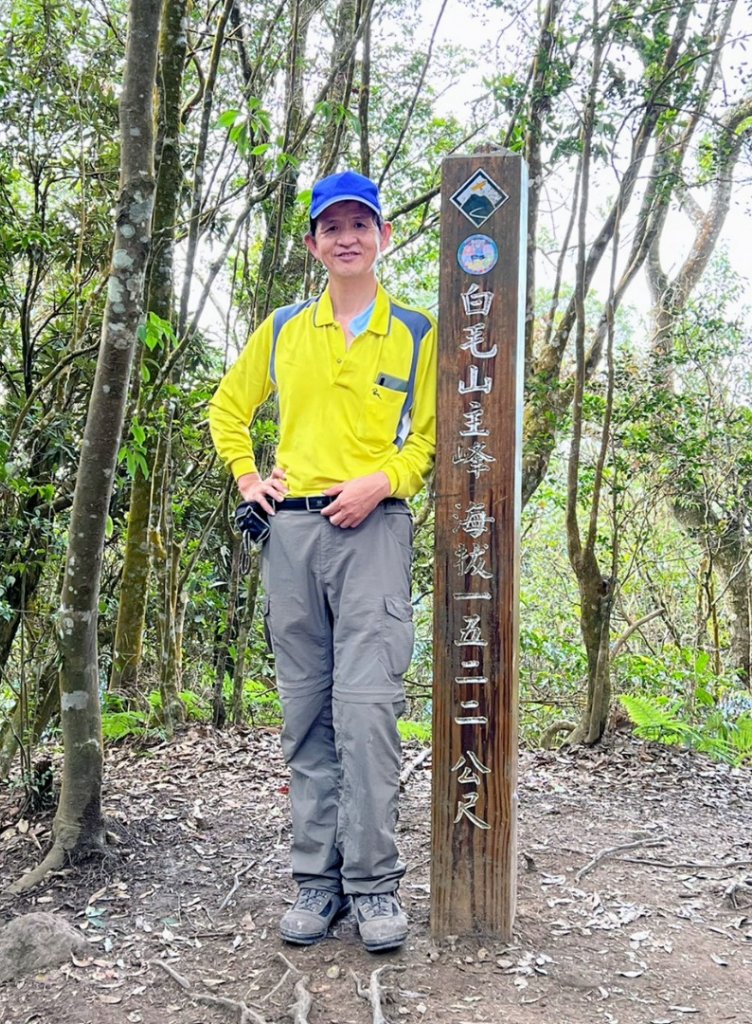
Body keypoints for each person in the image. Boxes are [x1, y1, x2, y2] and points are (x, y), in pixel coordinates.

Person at [209, 170, 437, 952]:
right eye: (331, 226)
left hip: (374, 533)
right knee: (307, 714)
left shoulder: (415, 330)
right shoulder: (280, 329)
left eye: (360, 224)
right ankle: (317, 880)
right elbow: (227, 408)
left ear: (383, 237)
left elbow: (432, 439)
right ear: (313, 244)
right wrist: (250, 477)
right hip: (293, 538)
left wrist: (385, 480)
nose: (347, 237)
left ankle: (375, 886)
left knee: (368, 712)